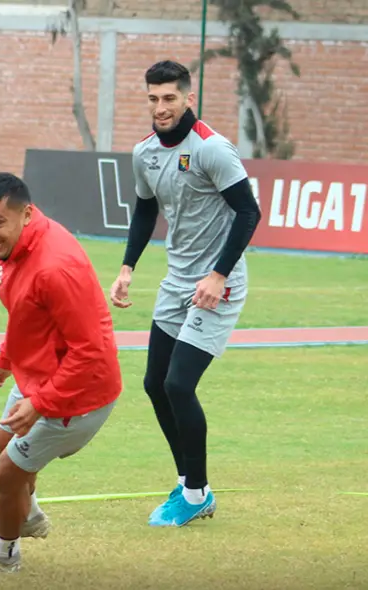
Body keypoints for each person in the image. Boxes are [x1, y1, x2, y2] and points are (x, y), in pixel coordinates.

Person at [109, 60, 262, 527]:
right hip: (177, 282)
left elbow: (248, 213)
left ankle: (195, 494)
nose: (161, 107)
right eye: (153, 98)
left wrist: (218, 275)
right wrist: (127, 268)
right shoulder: (145, 153)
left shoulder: (213, 149)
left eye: (170, 98)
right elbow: (144, 212)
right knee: (155, 384)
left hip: (219, 284)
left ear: (188, 98)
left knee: (179, 384)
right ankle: (190, 482)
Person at [0, 172, 123, 574]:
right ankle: (27, 518)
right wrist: (5, 361)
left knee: (8, 470)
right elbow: (26, 315)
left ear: (26, 215)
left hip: (80, 395)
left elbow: (91, 352)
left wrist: (41, 403)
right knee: (0, 443)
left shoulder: (54, 267)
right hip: (43, 377)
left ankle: (4, 556)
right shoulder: (21, 245)